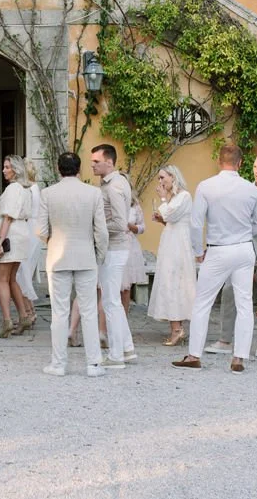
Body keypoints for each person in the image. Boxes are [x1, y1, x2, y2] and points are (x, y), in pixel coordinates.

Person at [172, 143, 257, 373]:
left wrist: (198, 251)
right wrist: (245, 233)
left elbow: (196, 224)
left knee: (202, 303)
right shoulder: (250, 189)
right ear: (240, 163)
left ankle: (194, 355)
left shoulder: (206, 187)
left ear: (219, 161)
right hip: (243, 248)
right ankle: (239, 357)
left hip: (217, 249)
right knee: (244, 303)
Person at [206, 153, 257, 359]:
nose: (256, 170)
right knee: (229, 291)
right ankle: (225, 339)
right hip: (243, 247)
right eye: (255, 167)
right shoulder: (245, 188)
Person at [38, 151, 109, 377]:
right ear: (79, 169)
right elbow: (101, 232)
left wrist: (51, 242)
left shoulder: (48, 193)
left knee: (59, 313)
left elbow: (41, 230)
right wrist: (99, 255)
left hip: (58, 257)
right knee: (89, 311)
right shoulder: (93, 193)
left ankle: (58, 364)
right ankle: (94, 364)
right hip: (86, 256)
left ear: (58, 169)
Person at [90, 145, 137, 366]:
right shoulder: (112, 183)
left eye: (96, 161)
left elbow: (119, 223)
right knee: (112, 300)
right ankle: (127, 349)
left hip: (114, 248)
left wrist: (95, 227)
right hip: (114, 248)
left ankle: (116, 355)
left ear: (109, 162)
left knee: (110, 302)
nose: (92, 165)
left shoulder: (115, 186)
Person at [147, 165, 196, 346]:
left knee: (174, 283)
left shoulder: (184, 196)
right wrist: (161, 219)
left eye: (162, 177)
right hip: (171, 242)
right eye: (159, 179)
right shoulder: (175, 198)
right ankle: (176, 328)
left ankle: (177, 329)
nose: (160, 182)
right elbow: (170, 220)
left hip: (178, 246)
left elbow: (170, 214)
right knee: (169, 282)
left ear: (173, 177)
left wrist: (162, 198)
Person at [0, 155, 35, 337]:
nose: (4, 170)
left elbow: (9, 218)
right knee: (12, 278)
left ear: (16, 170)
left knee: (2, 279)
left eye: (7, 167)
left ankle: (7, 320)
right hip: (22, 232)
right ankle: (24, 315)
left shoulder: (12, 189)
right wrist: (0, 211)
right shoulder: (25, 189)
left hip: (11, 234)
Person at [15, 160, 44, 308]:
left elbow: (23, 212)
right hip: (35, 229)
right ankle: (29, 310)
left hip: (29, 230)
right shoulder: (36, 188)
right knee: (25, 270)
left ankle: (29, 310)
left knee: (22, 271)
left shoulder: (27, 189)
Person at [121, 195, 148, 313]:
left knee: (126, 287)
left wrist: (133, 227)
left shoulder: (135, 206)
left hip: (130, 247)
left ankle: (124, 319)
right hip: (113, 246)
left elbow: (142, 227)